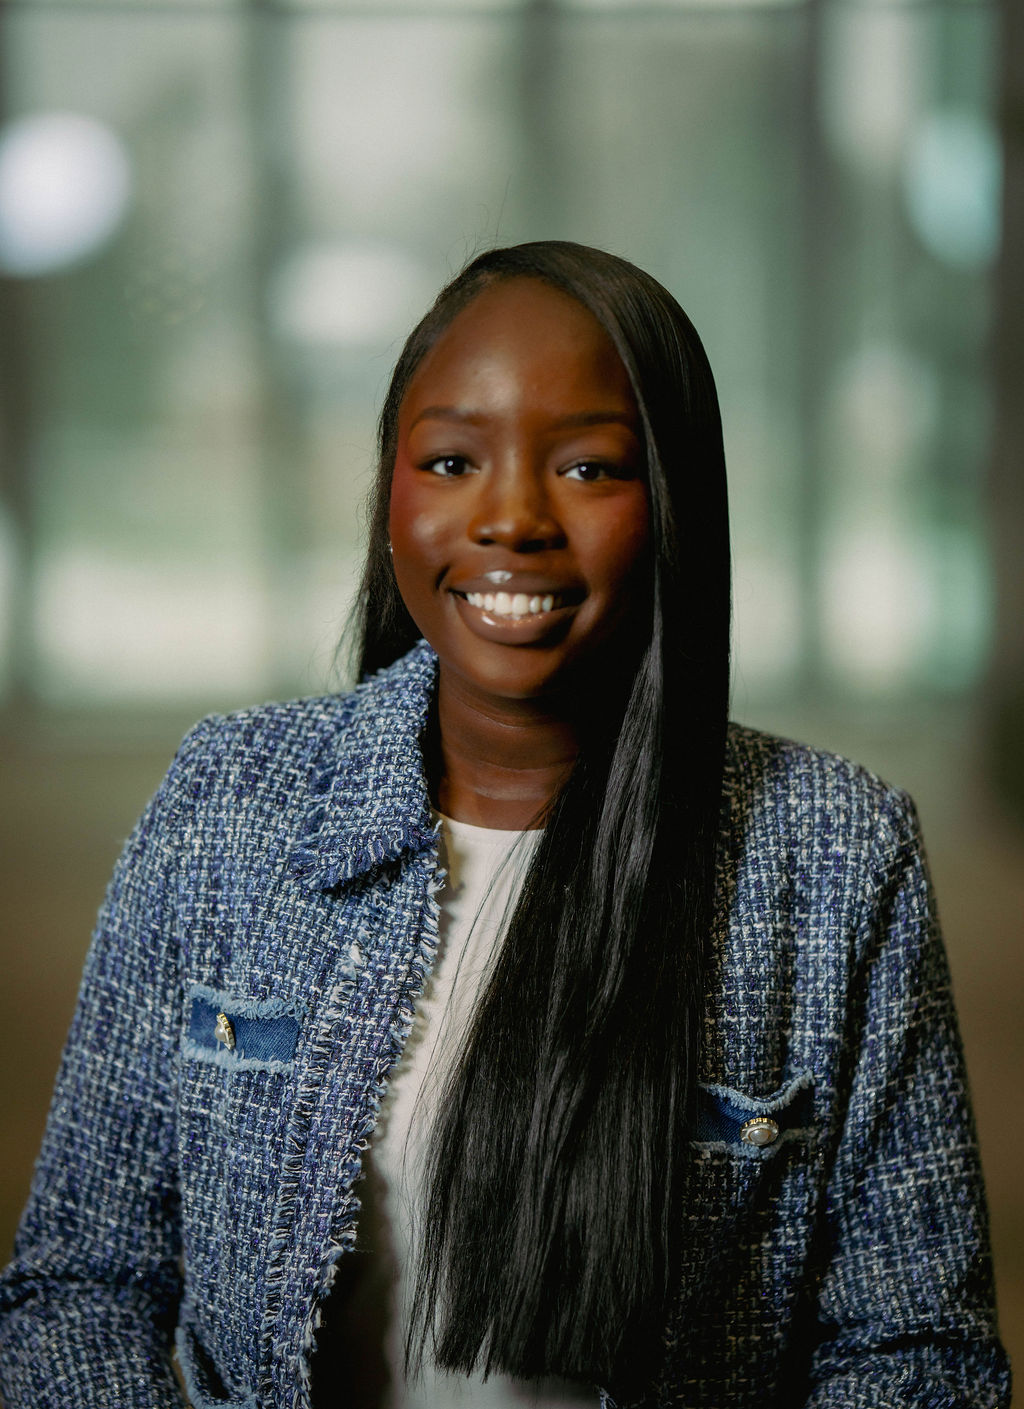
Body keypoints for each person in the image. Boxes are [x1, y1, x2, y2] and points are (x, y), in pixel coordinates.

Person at [0, 241, 1010, 1409]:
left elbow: (916, 1355)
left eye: (588, 468)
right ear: (393, 491)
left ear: (675, 501)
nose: (514, 516)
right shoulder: (229, 802)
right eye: (450, 459)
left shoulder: (832, 857)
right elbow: (83, 1280)